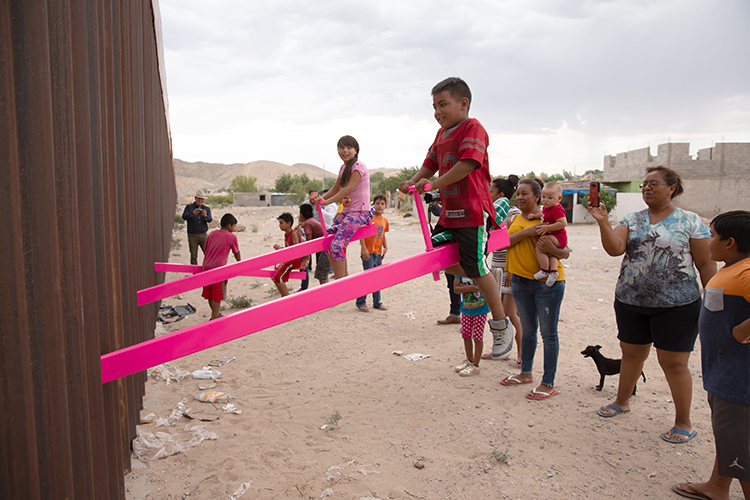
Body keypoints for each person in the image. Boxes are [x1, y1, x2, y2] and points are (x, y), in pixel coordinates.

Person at [589, 166, 716, 443]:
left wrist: (716, 301)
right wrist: (602, 222)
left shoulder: (690, 221)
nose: (646, 188)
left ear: (671, 188)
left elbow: (706, 263)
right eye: (644, 185)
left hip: (678, 304)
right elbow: (614, 249)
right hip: (630, 301)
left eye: (653, 184)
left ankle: (683, 421)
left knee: (673, 363)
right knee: (632, 355)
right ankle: (622, 401)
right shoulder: (632, 219)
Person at [398, 77, 514, 358]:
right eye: (434, 106)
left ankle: (501, 325)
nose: (437, 112)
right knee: (435, 257)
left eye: (443, 104)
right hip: (450, 214)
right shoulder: (441, 135)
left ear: (463, 104)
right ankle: (486, 276)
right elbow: (429, 165)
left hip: (473, 212)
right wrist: (411, 183)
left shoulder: (472, 128)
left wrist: (434, 185)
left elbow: (468, 163)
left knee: (473, 266)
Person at [672, 210, 750, 500]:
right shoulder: (731, 268)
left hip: (738, 378)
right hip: (723, 373)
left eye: (712, 235)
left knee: (739, 444)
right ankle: (718, 486)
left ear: (729, 242)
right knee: (731, 437)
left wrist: (742, 330)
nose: (706, 241)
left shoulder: (745, 272)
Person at [500, 178, 569, 401]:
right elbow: (504, 244)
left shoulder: (549, 216)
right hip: (520, 282)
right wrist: (510, 272)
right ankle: (526, 373)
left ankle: (548, 382)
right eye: (518, 193)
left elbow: (565, 251)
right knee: (528, 330)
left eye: (525, 194)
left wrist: (555, 249)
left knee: (548, 334)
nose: (520, 197)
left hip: (547, 284)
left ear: (537, 197)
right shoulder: (515, 218)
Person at [482, 175, 523, 364]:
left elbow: (514, 242)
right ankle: (501, 349)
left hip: (510, 268)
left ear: (501, 194)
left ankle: (522, 353)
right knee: (499, 311)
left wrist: (512, 271)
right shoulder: (492, 212)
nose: (488, 194)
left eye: (491, 191)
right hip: (497, 266)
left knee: (510, 313)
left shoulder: (513, 214)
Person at [319, 135, 371, 280]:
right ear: (337, 150)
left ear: (356, 150)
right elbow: (336, 189)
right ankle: (340, 274)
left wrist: (327, 202)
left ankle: (340, 280)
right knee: (328, 239)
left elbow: (347, 190)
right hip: (348, 211)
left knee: (337, 245)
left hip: (359, 212)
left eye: (349, 147)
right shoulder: (343, 168)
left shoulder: (358, 167)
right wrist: (322, 198)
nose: (345, 150)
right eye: (342, 147)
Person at [201, 213, 241, 320]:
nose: (234, 229)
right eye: (234, 226)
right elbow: (236, 252)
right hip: (219, 269)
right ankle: (214, 317)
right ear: (229, 226)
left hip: (206, 267)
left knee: (210, 293)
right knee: (217, 295)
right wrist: (240, 263)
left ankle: (215, 314)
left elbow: (206, 249)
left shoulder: (212, 234)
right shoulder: (232, 237)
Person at [356, 194, 389, 312]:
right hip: (368, 253)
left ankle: (377, 302)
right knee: (368, 277)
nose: (379, 206)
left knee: (377, 278)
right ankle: (361, 302)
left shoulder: (385, 220)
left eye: (382, 204)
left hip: (378, 253)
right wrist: (363, 249)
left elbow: (383, 234)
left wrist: (385, 246)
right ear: (373, 205)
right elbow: (361, 233)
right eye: (377, 203)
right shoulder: (369, 218)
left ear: (386, 206)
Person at [453, 276, 490, 377]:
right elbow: (455, 288)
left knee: (477, 337)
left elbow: (484, 286)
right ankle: (469, 360)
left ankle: (476, 365)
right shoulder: (459, 273)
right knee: (466, 335)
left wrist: (463, 286)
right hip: (466, 309)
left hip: (480, 311)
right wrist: (470, 288)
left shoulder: (480, 271)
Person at [533, 181, 568, 287]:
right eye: (543, 197)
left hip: (558, 236)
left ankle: (544, 270)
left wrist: (547, 227)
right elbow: (543, 214)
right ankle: (553, 271)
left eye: (550, 198)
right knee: (550, 254)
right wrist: (535, 216)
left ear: (559, 198)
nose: (545, 200)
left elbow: (563, 223)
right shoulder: (547, 207)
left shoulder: (557, 209)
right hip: (555, 236)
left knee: (540, 248)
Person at [272, 212, 304, 297]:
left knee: (278, 277)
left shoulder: (293, 233)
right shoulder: (286, 234)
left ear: (289, 224)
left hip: (294, 261)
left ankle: (286, 297)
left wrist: (281, 249)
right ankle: (284, 295)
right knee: (274, 275)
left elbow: (295, 250)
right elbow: (288, 249)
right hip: (289, 259)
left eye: (281, 223)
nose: (280, 225)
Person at [298, 203, 329, 287]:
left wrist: (306, 258)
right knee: (323, 274)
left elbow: (309, 244)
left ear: (301, 215)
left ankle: (326, 293)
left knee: (321, 274)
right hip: (325, 247)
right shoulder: (312, 221)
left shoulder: (308, 223)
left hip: (325, 249)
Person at [182, 192, 213, 265]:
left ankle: (208, 270)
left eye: (202, 199)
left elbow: (210, 220)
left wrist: (205, 216)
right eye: (199, 198)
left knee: (208, 253)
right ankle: (194, 274)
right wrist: (192, 214)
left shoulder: (206, 209)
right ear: (195, 198)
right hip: (192, 235)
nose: (200, 200)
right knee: (193, 255)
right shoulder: (189, 207)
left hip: (203, 234)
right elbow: (184, 217)